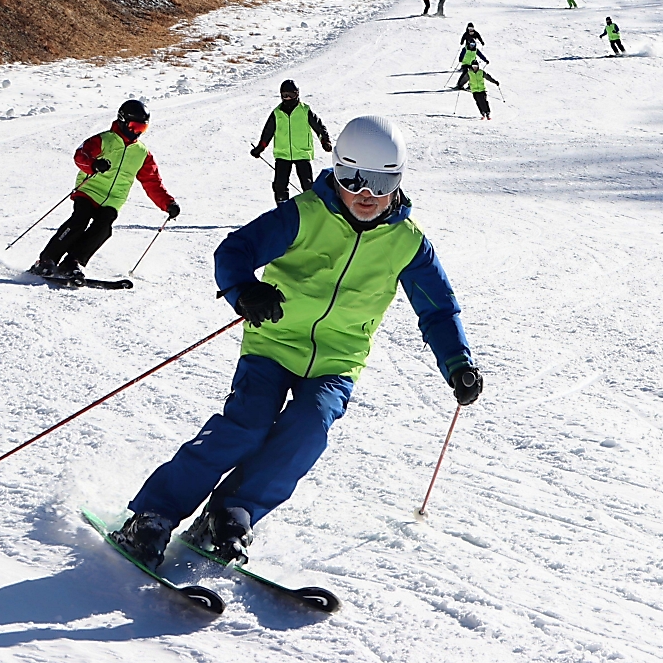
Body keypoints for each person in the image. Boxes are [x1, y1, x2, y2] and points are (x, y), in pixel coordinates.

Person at [111, 116, 483, 570]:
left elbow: (438, 309)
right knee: (245, 425)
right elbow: (235, 251)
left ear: (399, 180)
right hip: (273, 343)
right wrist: (245, 291)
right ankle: (153, 516)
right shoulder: (304, 213)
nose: (366, 194)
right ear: (336, 171)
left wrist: (457, 361)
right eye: (353, 178)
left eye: (381, 181)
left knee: (308, 430)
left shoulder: (408, 243)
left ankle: (232, 512)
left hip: (337, 361)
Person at [30, 100, 179, 280]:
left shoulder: (142, 153)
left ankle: (73, 262)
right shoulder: (103, 140)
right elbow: (80, 155)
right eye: (134, 127)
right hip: (89, 190)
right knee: (79, 220)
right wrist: (93, 164)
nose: (136, 133)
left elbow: (152, 181)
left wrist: (167, 203)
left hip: (113, 200)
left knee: (103, 229)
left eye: (142, 129)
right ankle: (47, 260)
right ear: (122, 121)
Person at [250, 80, 332, 205]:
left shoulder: (305, 110)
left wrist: (325, 141)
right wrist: (260, 148)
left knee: (307, 183)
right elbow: (268, 132)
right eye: (284, 95)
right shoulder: (277, 113)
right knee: (279, 184)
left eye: (291, 95)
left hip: (302, 153)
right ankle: (282, 206)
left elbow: (319, 127)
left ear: (297, 94)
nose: (287, 98)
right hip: (283, 154)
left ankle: (311, 207)